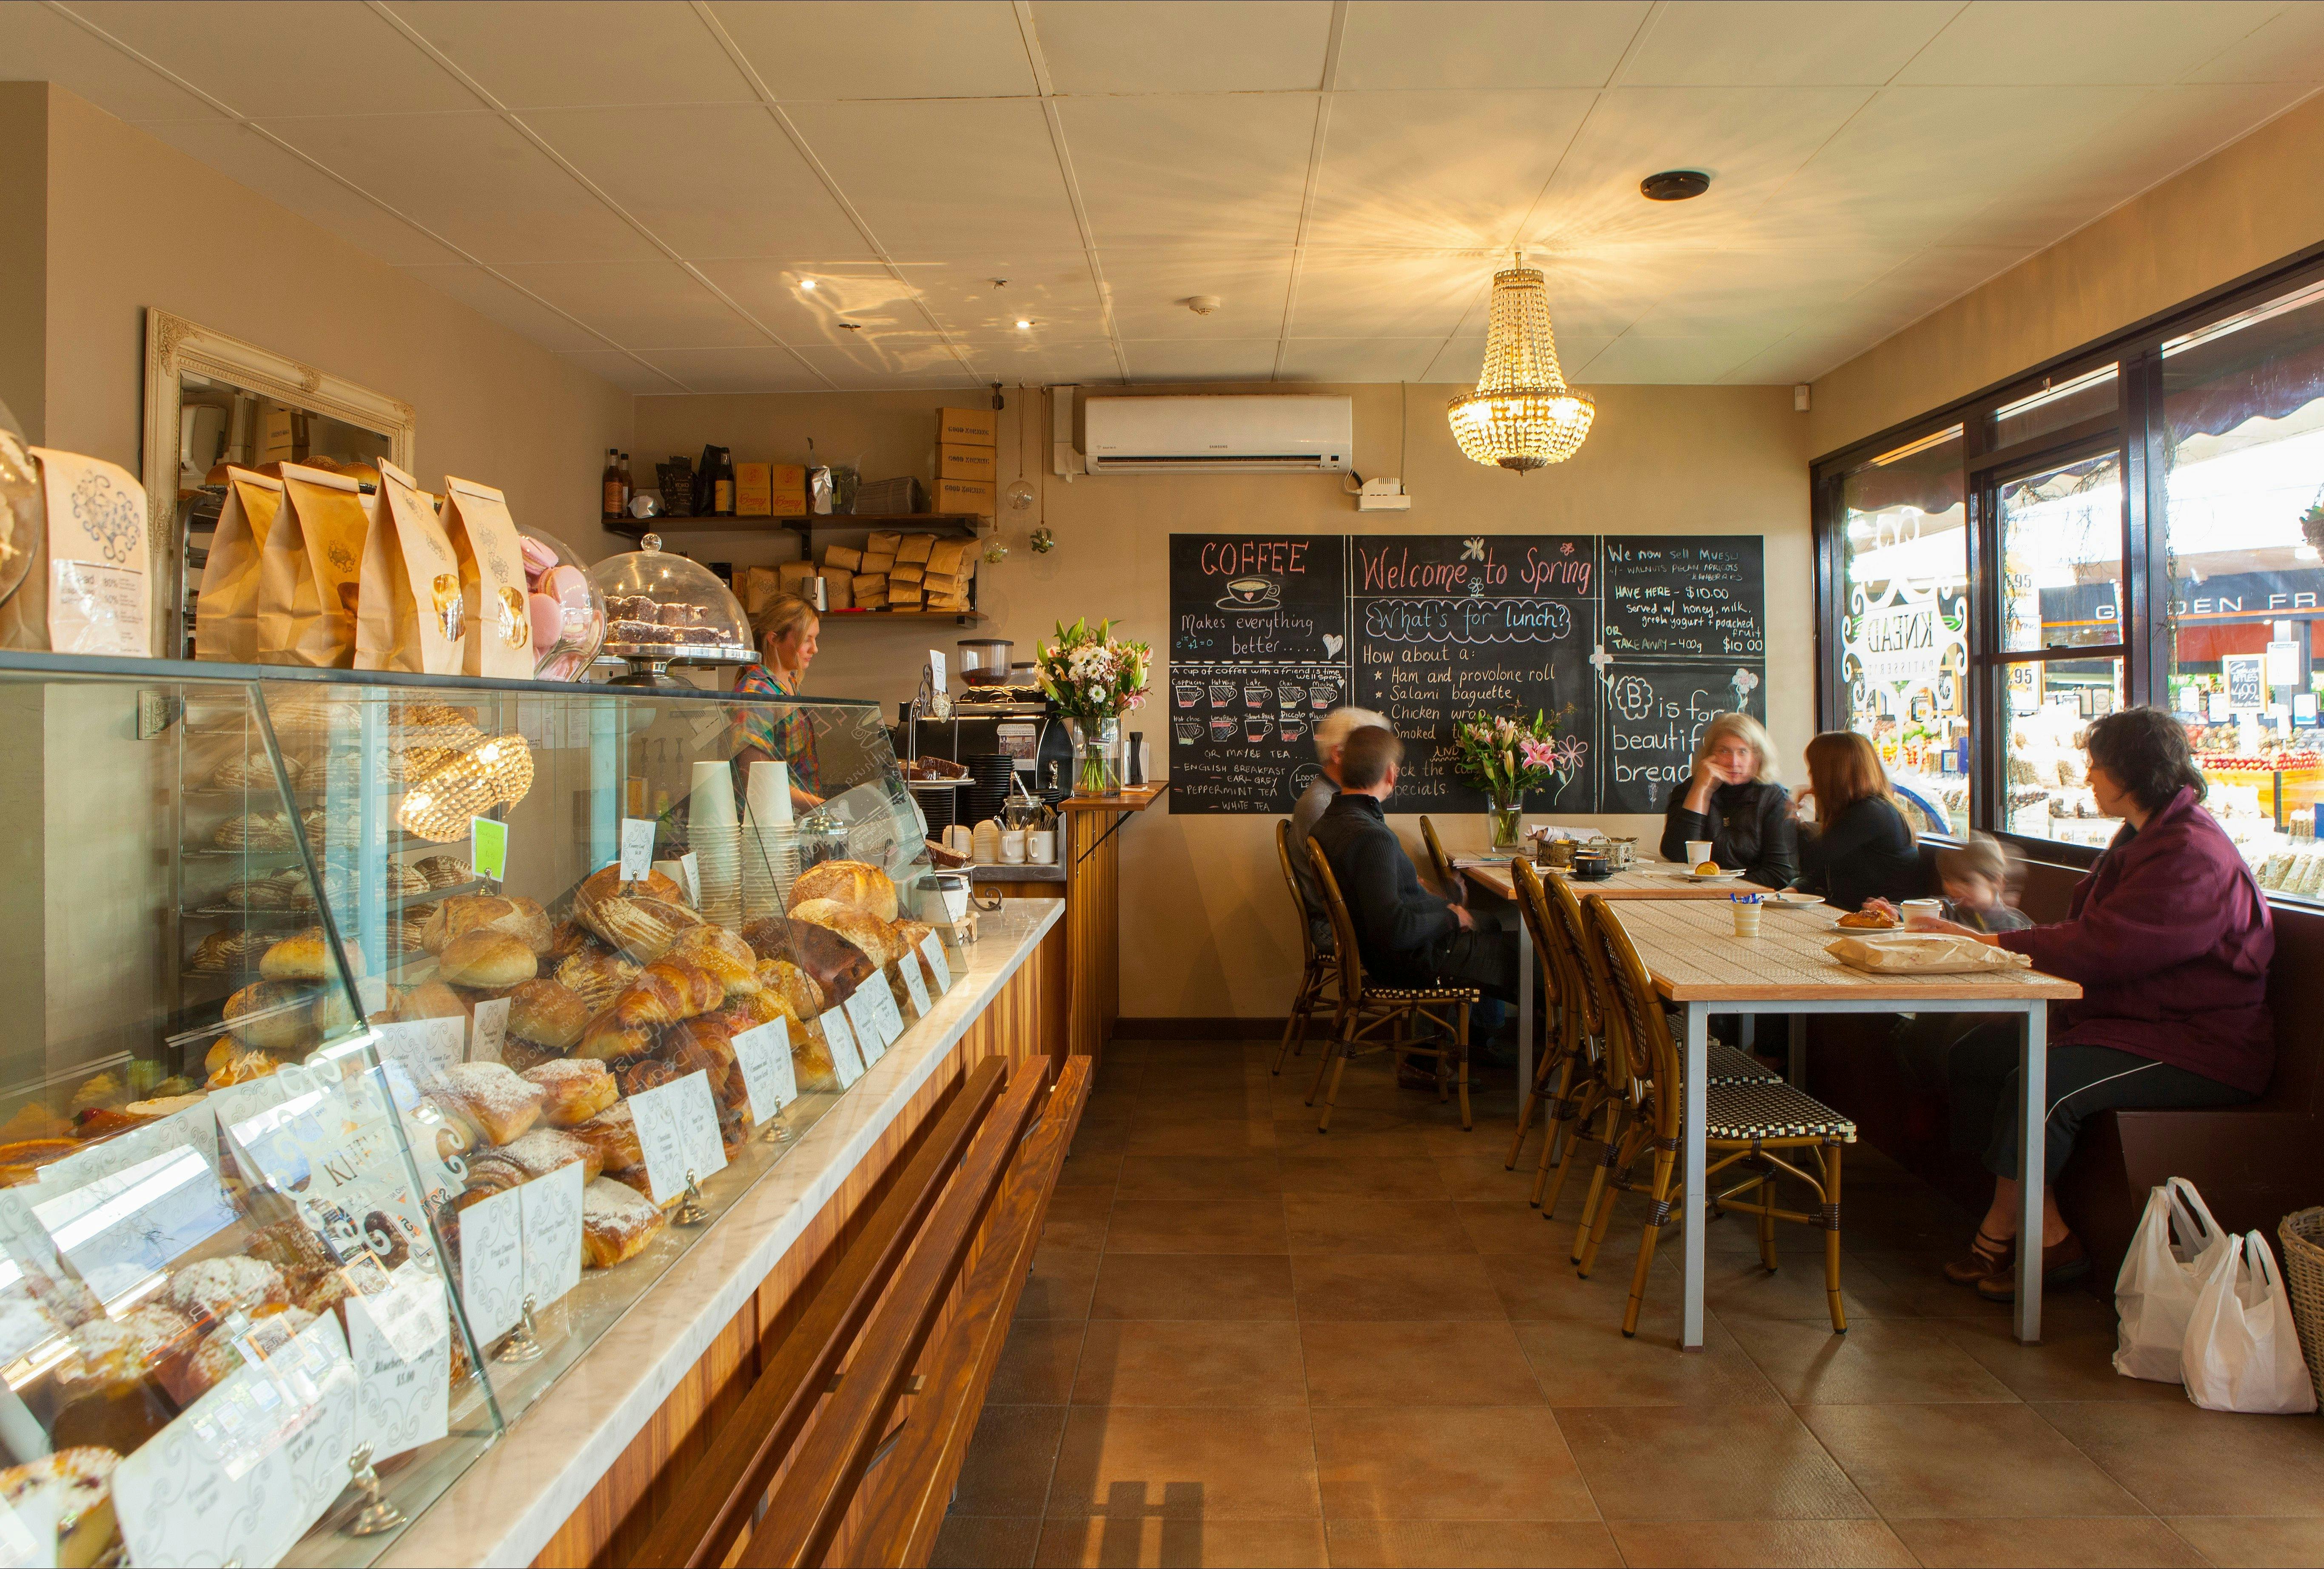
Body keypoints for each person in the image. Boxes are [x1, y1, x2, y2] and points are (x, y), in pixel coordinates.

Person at [1908, 707, 2274, 1301]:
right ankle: (2041, 1229)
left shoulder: (2192, 852)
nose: (2089, 779)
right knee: (1976, 1050)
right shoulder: (2146, 834)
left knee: (2043, 1083)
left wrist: (1991, 942)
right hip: (2133, 1022)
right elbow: (2104, 939)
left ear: (2133, 772)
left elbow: (2110, 945)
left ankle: (2024, 1237)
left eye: (2098, 766)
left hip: (2200, 1044)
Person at [1310, 726, 1517, 1005]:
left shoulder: (1330, 821)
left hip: (1391, 956)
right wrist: (1451, 918)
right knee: (1528, 956)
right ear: (1391, 774)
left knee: (1488, 922)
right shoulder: (1372, 836)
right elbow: (1393, 930)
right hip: (1411, 963)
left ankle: (1472, 1041)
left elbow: (1391, 907)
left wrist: (1447, 905)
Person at [1289, 707, 1392, 950]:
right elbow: (1364, 890)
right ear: (1338, 754)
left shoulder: (1345, 800)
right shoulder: (1322, 805)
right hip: (1336, 927)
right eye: (1367, 748)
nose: (1380, 760)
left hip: (1353, 917)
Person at [1659, 712, 1799, 888]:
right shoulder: (1687, 791)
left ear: (1758, 757)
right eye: (1724, 751)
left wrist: (1719, 887)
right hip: (1693, 896)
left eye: (1743, 752)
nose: (1734, 762)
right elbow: (1676, 854)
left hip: (1751, 901)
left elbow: (1780, 874)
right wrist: (1701, 789)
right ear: (1709, 755)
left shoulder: (1774, 799)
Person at [1791, 730, 1921, 912]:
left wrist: (1792, 816)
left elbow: (1810, 859)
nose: (1810, 773)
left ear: (1834, 774)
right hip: (1854, 913)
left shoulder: (1870, 813)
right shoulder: (1860, 809)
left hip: (1883, 921)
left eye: (1815, 767)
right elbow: (1825, 869)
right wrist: (1797, 888)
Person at [734, 593, 825, 816]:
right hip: (770, 828)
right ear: (774, 639)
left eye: (815, 639)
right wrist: (824, 807)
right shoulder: (757, 694)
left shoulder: (789, 684)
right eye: (807, 639)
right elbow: (755, 781)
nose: (815, 649)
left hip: (794, 821)